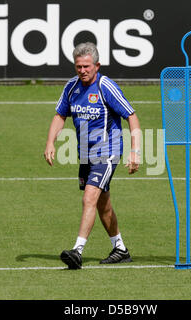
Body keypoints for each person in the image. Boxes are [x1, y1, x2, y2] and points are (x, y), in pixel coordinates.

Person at [44, 42, 141, 269]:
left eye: (87, 66)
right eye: (78, 66)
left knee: (89, 198)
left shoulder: (106, 86)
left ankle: (77, 251)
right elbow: (60, 115)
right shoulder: (71, 87)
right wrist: (50, 142)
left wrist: (135, 151)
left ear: (97, 65)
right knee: (102, 204)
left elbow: (131, 116)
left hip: (107, 153)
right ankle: (120, 249)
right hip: (85, 155)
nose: (82, 71)